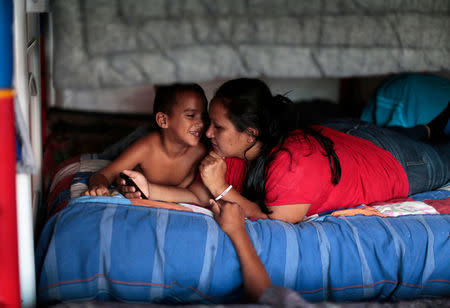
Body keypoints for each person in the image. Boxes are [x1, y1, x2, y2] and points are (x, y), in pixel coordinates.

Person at [122, 78, 450, 224]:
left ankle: (432, 130)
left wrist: (222, 189)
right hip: (342, 133)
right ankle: (430, 128)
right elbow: (196, 194)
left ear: (250, 134)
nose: (208, 133)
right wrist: (146, 188)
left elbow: (275, 222)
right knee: (425, 131)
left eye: (218, 127)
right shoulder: (237, 153)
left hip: (393, 162)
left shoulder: (291, 165)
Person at [82, 83, 208, 197]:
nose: (201, 123)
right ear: (163, 120)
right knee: (112, 151)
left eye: (203, 116)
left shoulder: (199, 153)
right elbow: (104, 175)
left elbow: (188, 192)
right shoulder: (146, 147)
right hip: (138, 139)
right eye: (191, 115)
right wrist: (98, 186)